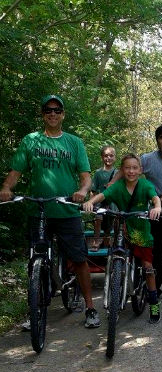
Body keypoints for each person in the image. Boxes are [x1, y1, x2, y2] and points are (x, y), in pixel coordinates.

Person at [0, 94, 100, 328]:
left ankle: (90, 307)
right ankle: (34, 310)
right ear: (43, 114)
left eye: (57, 110)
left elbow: (86, 178)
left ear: (63, 114)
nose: (52, 114)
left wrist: (82, 191)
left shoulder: (74, 142)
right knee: (35, 260)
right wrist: (5, 187)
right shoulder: (31, 140)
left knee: (78, 260)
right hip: (38, 210)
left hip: (66, 211)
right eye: (48, 110)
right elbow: (16, 173)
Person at [109, 124, 162, 300]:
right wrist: (112, 184)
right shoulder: (147, 159)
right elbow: (126, 168)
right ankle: (154, 288)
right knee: (157, 254)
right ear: (157, 139)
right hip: (155, 215)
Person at [83, 153, 162, 322]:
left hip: (141, 231)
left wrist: (157, 207)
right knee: (116, 255)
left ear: (140, 170)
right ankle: (118, 280)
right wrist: (92, 202)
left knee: (148, 267)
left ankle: (154, 303)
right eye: (127, 168)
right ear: (122, 170)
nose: (131, 171)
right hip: (123, 229)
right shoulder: (118, 186)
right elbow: (103, 195)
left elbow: (154, 197)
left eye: (135, 168)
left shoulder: (145, 185)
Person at [90, 145, 117, 251]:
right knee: (98, 219)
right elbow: (93, 189)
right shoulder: (98, 173)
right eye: (106, 156)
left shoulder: (117, 173)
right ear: (102, 157)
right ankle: (96, 241)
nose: (108, 158)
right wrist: (91, 203)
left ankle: (107, 244)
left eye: (111, 156)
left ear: (115, 157)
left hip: (113, 204)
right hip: (100, 203)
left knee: (109, 226)